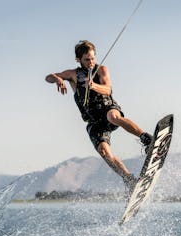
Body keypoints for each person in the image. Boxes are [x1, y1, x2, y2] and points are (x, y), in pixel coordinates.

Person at [45, 40, 153, 191]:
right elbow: (48, 77)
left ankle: (146, 138)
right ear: (78, 60)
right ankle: (129, 180)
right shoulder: (73, 75)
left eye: (92, 58)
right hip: (94, 121)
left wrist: (94, 86)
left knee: (113, 117)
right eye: (87, 59)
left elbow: (108, 89)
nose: (90, 62)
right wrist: (57, 79)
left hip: (107, 108)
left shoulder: (101, 69)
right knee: (104, 152)